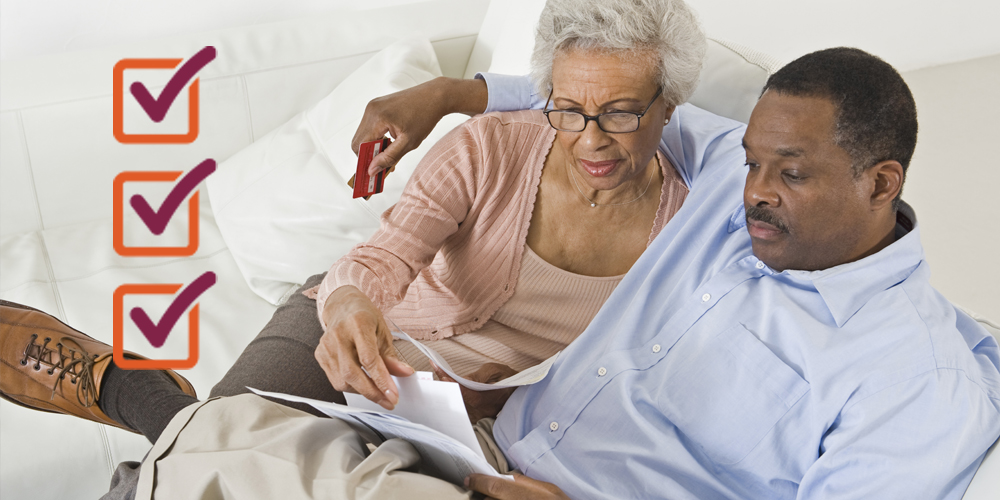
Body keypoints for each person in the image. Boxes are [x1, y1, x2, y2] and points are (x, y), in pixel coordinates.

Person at [3, 5, 999, 500]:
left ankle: (152, 413)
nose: (756, 192)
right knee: (271, 442)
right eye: (753, 160)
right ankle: (173, 423)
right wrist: (453, 93)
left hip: (485, 467)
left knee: (231, 457)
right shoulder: (723, 179)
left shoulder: (914, 381)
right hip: (440, 425)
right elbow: (588, 100)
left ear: (882, 182)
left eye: (791, 173)